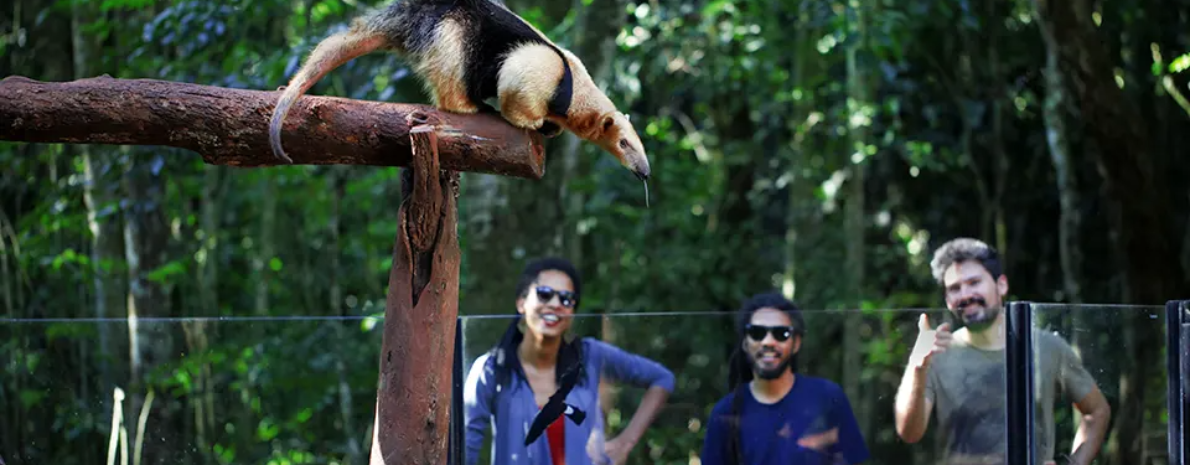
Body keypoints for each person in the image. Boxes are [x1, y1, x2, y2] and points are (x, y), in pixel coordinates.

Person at [893, 238, 1112, 465]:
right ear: (947, 300)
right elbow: (909, 433)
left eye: (974, 282)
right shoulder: (935, 352)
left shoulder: (1046, 347)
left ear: (1001, 285)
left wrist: (1073, 463)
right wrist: (918, 366)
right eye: (955, 288)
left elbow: (1097, 411)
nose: (965, 295)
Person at [464, 257, 675, 465]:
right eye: (544, 294)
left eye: (566, 299)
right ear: (521, 303)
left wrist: (625, 442)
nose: (556, 304)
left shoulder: (591, 355)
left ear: (572, 312)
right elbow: (466, 446)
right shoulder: (491, 369)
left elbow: (662, 379)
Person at [700, 291, 870, 465]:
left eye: (781, 334)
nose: (768, 342)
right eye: (757, 333)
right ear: (745, 342)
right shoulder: (725, 411)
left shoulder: (827, 397)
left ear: (796, 343)